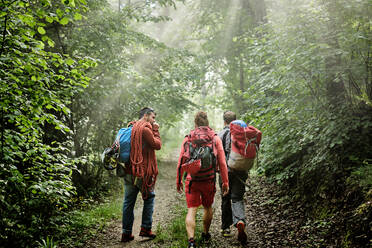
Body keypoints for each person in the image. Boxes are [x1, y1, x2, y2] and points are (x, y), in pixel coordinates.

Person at [176, 111, 229, 248]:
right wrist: (225, 182)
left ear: (195, 123)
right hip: (209, 179)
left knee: (192, 209)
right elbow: (222, 163)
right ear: (207, 123)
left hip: (192, 180)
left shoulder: (188, 138)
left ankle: (191, 241)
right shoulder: (215, 138)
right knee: (207, 207)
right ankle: (205, 233)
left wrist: (178, 180)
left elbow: (181, 161)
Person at [121, 107, 162, 242]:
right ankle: (145, 228)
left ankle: (126, 233)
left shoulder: (131, 127)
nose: (154, 120)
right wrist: (155, 130)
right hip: (141, 172)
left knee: (128, 202)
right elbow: (157, 145)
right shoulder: (145, 129)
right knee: (149, 198)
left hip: (128, 170)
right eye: (153, 117)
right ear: (145, 116)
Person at [218, 111, 248, 245]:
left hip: (226, 171)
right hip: (241, 170)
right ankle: (240, 221)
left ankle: (225, 228)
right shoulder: (243, 132)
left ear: (224, 121)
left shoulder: (221, 134)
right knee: (237, 198)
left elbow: (217, 154)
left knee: (225, 198)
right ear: (235, 120)